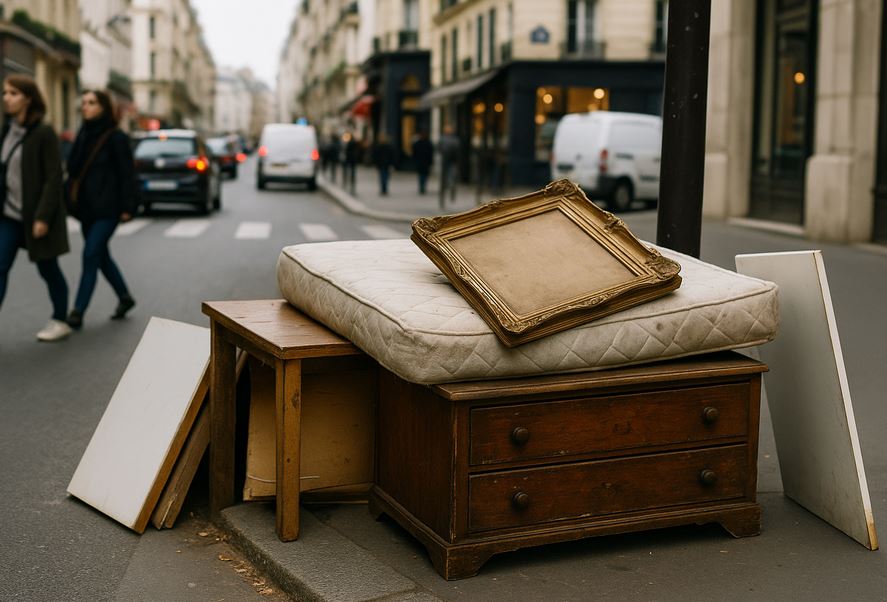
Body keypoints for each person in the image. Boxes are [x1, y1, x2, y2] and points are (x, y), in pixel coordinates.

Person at [0, 75, 71, 341]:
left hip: (35, 216)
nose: (7, 98)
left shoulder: (44, 133)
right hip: (9, 215)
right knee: (0, 266)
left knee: (47, 268)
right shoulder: (7, 130)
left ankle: (60, 320)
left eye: (13, 93)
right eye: (5, 93)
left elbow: (54, 177)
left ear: (28, 99)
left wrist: (42, 216)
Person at [65, 90, 137, 330]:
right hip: (86, 209)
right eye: (83, 102)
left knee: (90, 254)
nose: (85, 106)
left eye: (91, 103)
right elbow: (73, 168)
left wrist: (128, 207)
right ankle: (125, 297)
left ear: (104, 107)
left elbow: (127, 173)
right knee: (100, 256)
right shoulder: (83, 134)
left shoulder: (116, 137)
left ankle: (77, 311)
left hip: (109, 209)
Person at [438, 125, 460, 208]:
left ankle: (452, 190)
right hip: (445, 162)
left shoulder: (455, 140)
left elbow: (458, 151)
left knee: (452, 177)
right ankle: (446, 190)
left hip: (452, 162)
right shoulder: (443, 139)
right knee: (445, 178)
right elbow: (439, 148)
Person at [411, 129, 433, 195]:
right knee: (424, 175)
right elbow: (431, 153)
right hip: (425, 162)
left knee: (421, 175)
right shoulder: (428, 143)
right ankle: (423, 187)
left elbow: (414, 152)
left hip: (421, 162)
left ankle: (421, 187)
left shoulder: (418, 143)